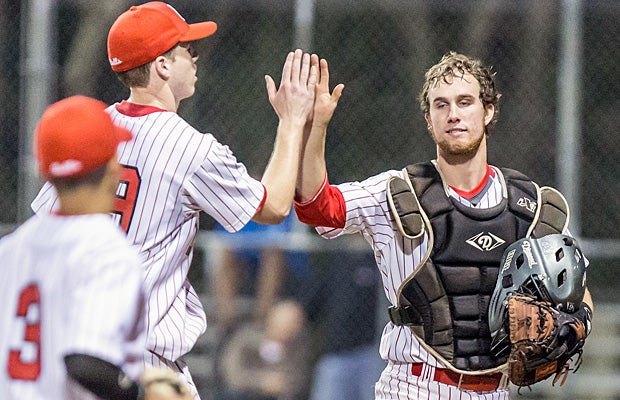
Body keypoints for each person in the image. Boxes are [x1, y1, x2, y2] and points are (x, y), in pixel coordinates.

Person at [31, 2, 317, 398]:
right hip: (144, 364)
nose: (195, 57)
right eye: (186, 49)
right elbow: (273, 207)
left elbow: (46, 226)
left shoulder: (92, 129)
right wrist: (291, 121)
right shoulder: (190, 148)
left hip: (72, 353)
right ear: (163, 65)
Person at [293, 52, 594, 399]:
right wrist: (315, 128)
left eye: (465, 102)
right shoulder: (396, 192)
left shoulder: (533, 206)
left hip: (497, 390)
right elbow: (317, 209)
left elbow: (576, 286)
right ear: (428, 119)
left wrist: (578, 324)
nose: (453, 114)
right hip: (414, 386)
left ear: (489, 110)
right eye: (441, 105)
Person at [0, 95, 191, 399]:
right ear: (113, 169)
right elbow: (87, 364)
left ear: (43, 174)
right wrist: (144, 392)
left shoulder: (10, 250)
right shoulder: (108, 253)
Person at [297, 251, 385, 400]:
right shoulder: (333, 259)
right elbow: (310, 303)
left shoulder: (380, 258)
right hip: (335, 352)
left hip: (373, 351)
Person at [219, 300, 312, 400]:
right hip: (243, 394)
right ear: (271, 321)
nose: (290, 331)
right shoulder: (245, 340)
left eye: (294, 325)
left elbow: (298, 381)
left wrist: (281, 385)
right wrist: (262, 382)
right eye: (284, 325)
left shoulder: (298, 350)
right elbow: (231, 373)